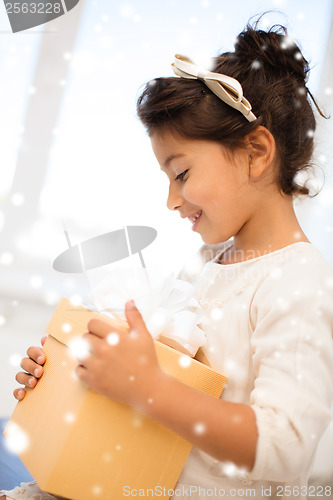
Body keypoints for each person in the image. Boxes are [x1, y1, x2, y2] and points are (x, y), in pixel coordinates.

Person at [1, 19, 333, 500]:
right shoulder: (206, 264)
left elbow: (285, 447)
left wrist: (145, 385)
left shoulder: (299, 281)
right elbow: (172, 390)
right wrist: (92, 371)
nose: (171, 200)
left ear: (257, 152)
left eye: (181, 173)